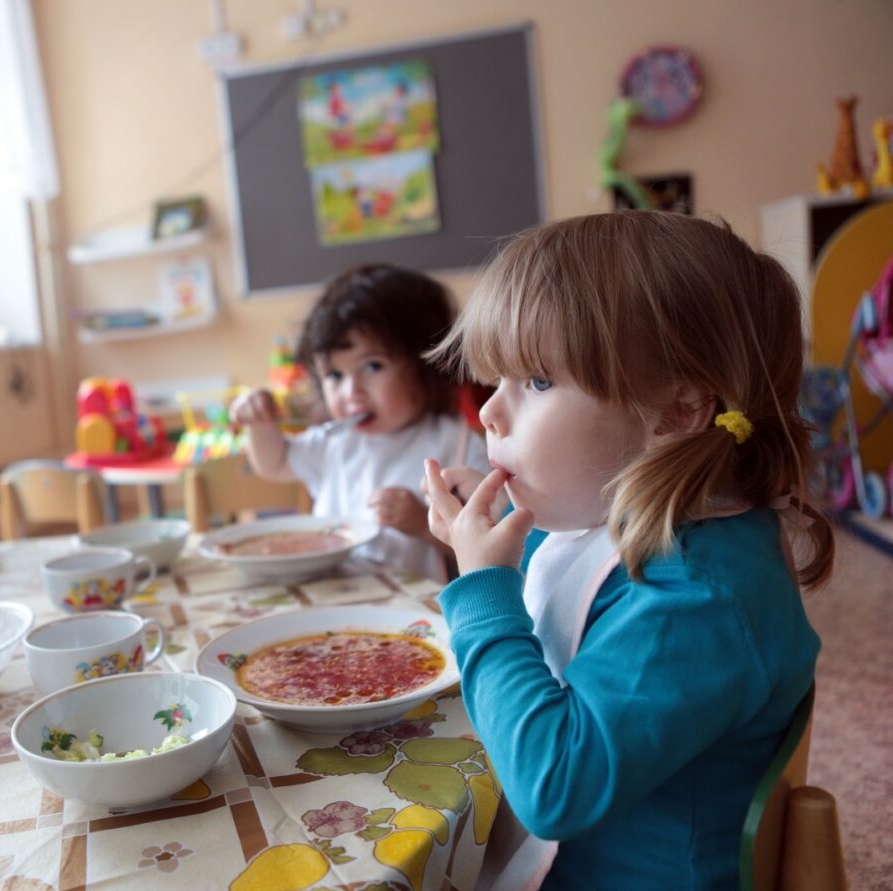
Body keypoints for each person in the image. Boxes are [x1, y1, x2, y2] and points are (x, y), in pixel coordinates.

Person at [421, 211, 831, 888]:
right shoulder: (684, 529)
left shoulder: (700, 598)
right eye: (497, 381)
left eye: (537, 382)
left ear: (676, 412)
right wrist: (508, 540)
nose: (490, 413)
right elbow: (589, 598)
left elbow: (553, 788)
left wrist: (483, 586)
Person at [230, 263, 489, 581]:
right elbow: (273, 462)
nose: (352, 391)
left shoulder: (459, 446)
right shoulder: (334, 442)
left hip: (416, 614)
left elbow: (488, 553)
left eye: (373, 366)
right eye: (335, 375)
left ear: (428, 363)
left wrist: (423, 524)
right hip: (330, 598)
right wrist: (259, 423)